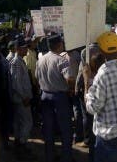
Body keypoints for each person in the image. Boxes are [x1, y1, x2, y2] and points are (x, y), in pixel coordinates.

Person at [84, 32, 117, 162]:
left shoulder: (102, 74)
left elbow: (92, 107)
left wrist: (86, 81)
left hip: (109, 141)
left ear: (101, 51)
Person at [35, 34, 75, 162]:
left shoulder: (40, 59)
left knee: (48, 128)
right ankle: (66, 157)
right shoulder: (61, 60)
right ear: (59, 45)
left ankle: (49, 156)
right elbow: (69, 79)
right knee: (65, 129)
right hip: (59, 97)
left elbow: (36, 77)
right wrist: (71, 89)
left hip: (45, 95)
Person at [9, 38, 33, 154]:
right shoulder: (16, 62)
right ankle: (22, 145)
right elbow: (16, 83)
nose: (26, 50)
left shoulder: (20, 61)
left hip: (22, 98)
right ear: (18, 49)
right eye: (24, 48)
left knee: (20, 123)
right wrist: (24, 97)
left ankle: (20, 145)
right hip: (21, 99)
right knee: (27, 122)